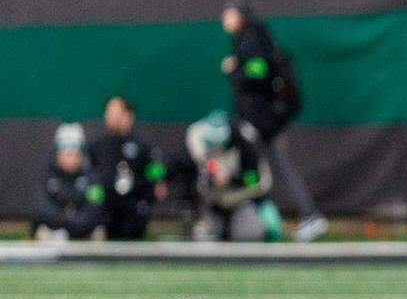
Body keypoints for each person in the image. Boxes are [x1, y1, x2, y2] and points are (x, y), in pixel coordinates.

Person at [222, 0, 328, 242]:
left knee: (270, 168)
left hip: (263, 123)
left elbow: (257, 76)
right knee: (261, 169)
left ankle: (307, 216)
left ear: (241, 15)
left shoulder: (253, 41)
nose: (224, 19)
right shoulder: (248, 39)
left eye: (228, 14)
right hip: (262, 121)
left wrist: (234, 69)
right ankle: (268, 220)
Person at [185, 111, 283, 241]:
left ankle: (268, 221)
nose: (217, 148)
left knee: (246, 234)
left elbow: (253, 181)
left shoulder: (245, 146)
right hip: (216, 201)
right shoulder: (199, 139)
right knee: (205, 235)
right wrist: (213, 174)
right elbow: (185, 164)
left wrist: (230, 179)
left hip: (244, 199)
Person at [88, 96, 166, 240]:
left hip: (134, 209)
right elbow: (89, 171)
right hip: (107, 209)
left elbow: (156, 173)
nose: (111, 118)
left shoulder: (143, 144)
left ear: (128, 116)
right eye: (109, 113)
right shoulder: (97, 144)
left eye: (116, 114)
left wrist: (152, 190)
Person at [31, 123, 106, 240]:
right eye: (65, 154)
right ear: (57, 154)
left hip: (84, 228)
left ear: (81, 154)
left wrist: (76, 224)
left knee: (98, 231)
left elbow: (95, 207)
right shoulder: (46, 175)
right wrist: (62, 221)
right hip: (54, 229)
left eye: (74, 154)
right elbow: (42, 205)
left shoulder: (93, 177)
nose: (70, 158)